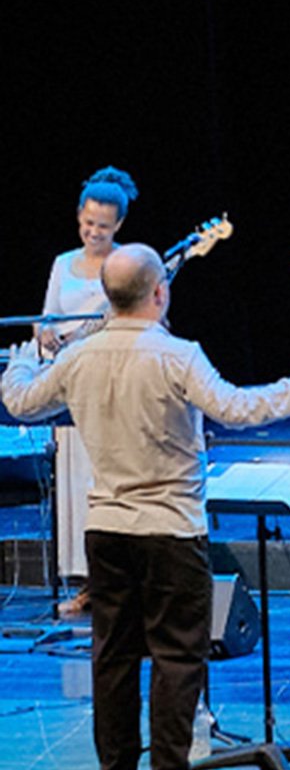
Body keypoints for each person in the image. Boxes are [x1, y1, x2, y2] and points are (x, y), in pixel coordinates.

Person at [3, 245, 290, 770]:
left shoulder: (79, 357)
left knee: (112, 661)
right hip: (169, 530)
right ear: (159, 293)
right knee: (177, 659)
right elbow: (240, 408)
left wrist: (21, 358)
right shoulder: (177, 355)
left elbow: (20, 401)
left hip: (106, 530)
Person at [38, 167, 138, 619]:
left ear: (118, 226)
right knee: (74, 487)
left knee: (106, 486)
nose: (93, 231)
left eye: (103, 225)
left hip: (111, 383)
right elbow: (46, 319)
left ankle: (113, 583)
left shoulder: (126, 265)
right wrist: (46, 337)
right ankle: (82, 583)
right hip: (69, 382)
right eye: (87, 222)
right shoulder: (63, 264)